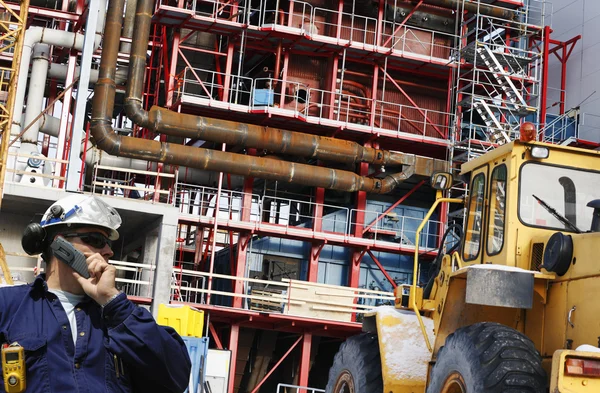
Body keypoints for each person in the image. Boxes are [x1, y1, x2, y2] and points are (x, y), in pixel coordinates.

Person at [1, 194, 191, 392]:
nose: (109, 251)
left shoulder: (121, 318)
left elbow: (176, 378)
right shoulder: (8, 307)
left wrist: (113, 302)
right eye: (97, 240)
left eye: (109, 243)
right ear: (60, 245)